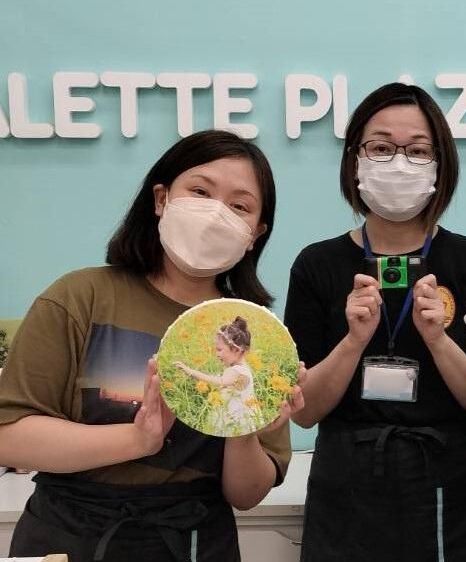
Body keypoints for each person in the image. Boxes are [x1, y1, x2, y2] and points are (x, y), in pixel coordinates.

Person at [0, 130, 306, 562]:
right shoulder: (80, 297)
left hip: (194, 541)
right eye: (200, 192)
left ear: (254, 233)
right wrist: (137, 440)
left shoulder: (257, 334)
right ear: (162, 199)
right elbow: (9, 435)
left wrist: (243, 427)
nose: (215, 214)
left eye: (239, 206)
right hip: (69, 537)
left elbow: (246, 495)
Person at [284, 82, 466, 562]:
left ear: (440, 165)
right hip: (347, 483)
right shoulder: (317, 265)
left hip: (451, 482)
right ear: (355, 161)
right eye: (381, 148)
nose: (399, 163)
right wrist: (353, 341)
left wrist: (439, 341)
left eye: (418, 151)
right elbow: (304, 411)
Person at [175, 316, 259, 436]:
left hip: (232, 419)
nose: (216, 354)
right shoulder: (243, 368)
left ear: (236, 350)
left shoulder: (235, 371)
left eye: (219, 350)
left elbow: (217, 381)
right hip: (240, 417)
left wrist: (190, 371)